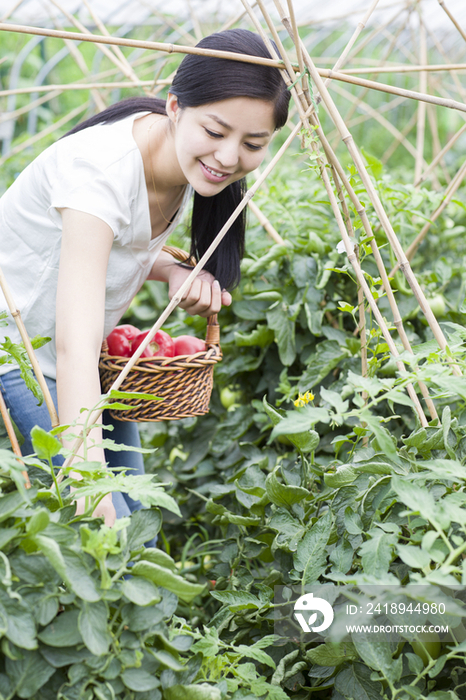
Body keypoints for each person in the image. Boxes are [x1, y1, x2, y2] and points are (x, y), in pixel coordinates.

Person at [0, 28, 291, 527]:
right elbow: (74, 346)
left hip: (82, 363)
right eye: (216, 132)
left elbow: (111, 246)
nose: (228, 157)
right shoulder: (101, 171)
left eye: (253, 143)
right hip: (18, 353)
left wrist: (171, 270)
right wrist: (90, 492)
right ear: (174, 107)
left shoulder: (179, 164)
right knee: (85, 521)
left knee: (135, 521)